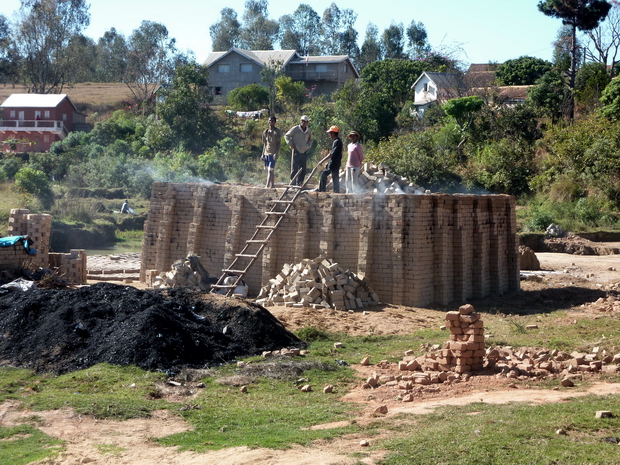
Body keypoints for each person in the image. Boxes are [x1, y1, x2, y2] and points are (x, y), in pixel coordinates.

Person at [284, 115, 313, 186]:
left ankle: (300, 183)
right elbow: (287, 136)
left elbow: (311, 139)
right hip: (296, 151)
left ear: (307, 122)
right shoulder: (295, 129)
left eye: (305, 121)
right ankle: (293, 182)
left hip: (304, 151)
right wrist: (291, 144)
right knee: (294, 167)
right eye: (302, 121)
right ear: (300, 121)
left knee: (303, 168)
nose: (303, 123)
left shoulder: (308, 131)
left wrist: (308, 146)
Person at [318, 125, 342, 193]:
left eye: (330, 133)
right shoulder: (338, 141)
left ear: (334, 133)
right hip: (335, 163)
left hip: (334, 163)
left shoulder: (337, 141)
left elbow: (332, 154)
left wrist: (322, 161)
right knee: (334, 177)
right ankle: (336, 191)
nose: (330, 135)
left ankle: (322, 190)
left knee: (324, 174)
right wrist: (328, 162)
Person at [261, 115, 282, 188]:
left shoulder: (277, 132)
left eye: (272, 121)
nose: (271, 122)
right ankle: (272, 185)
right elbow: (265, 144)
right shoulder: (265, 132)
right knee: (269, 170)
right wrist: (262, 154)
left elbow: (278, 143)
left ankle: (267, 186)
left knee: (270, 170)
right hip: (267, 153)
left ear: (275, 122)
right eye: (269, 120)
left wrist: (276, 153)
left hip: (273, 154)